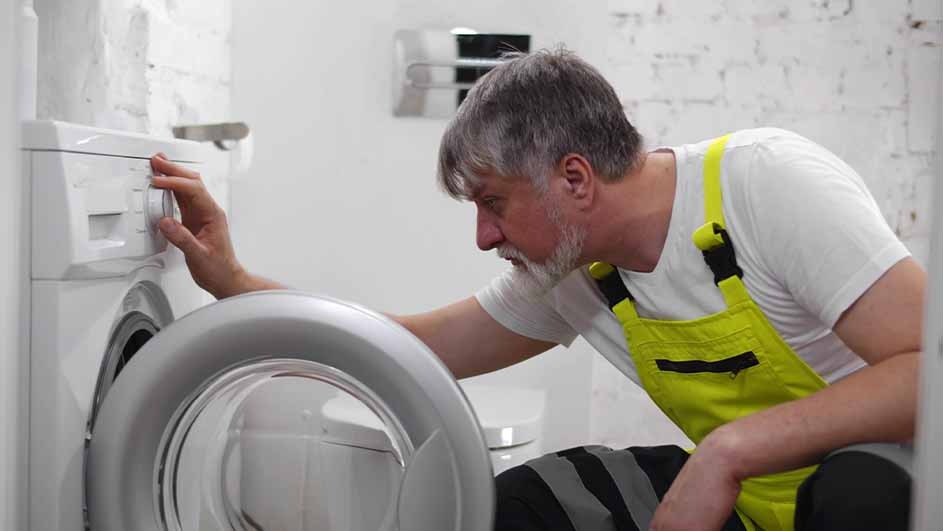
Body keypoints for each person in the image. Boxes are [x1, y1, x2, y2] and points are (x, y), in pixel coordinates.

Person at [149, 48, 920, 531]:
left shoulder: (763, 183)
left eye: (492, 203)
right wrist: (234, 283)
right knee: (517, 507)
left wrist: (725, 450)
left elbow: (930, 367)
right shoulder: (573, 275)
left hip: (887, 492)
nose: (484, 237)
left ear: (573, 178)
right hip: (751, 504)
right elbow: (400, 349)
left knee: (858, 493)